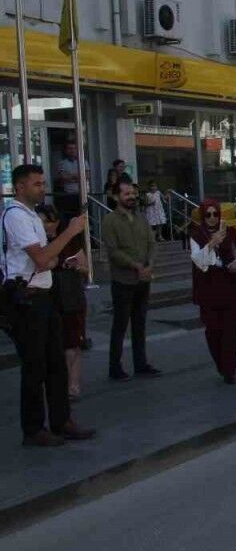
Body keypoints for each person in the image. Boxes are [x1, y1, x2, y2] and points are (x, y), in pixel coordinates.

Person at [3, 165, 94, 446]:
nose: (42, 188)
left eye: (43, 183)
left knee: (56, 362)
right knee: (35, 366)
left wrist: (49, 257)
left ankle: (60, 420)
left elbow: (49, 260)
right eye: (36, 184)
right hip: (27, 299)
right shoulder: (15, 215)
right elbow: (43, 259)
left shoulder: (31, 216)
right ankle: (33, 429)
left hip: (44, 294)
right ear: (20, 187)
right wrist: (70, 231)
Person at [102, 179, 159, 381]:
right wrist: (135, 265)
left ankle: (140, 364)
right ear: (116, 196)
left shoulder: (141, 218)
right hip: (123, 281)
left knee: (139, 323)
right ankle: (115, 367)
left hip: (143, 280)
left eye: (133, 193)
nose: (132, 197)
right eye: (126, 194)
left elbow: (152, 243)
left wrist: (149, 265)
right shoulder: (110, 221)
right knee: (120, 325)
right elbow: (113, 251)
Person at [189, 199, 236, 385]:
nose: (212, 218)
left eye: (215, 214)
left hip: (229, 285)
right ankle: (222, 364)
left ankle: (230, 370)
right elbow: (198, 260)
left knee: (232, 330)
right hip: (209, 287)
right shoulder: (197, 234)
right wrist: (212, 243)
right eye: (208, 214)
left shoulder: (229, 231)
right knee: (213, 331)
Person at [37, 206, 87, 401]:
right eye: (40, 221)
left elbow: (85, 268)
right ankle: (57, 385)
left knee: (73, 343)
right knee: (54, 345)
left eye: (47, 221)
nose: (44, 225)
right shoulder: (37, 243)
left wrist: (76, 266)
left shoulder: (70, 241)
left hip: (71, 296)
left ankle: (72, 386)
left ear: (57, 222)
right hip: (48, 297)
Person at [53, 140, 82, 217]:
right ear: (66, 151)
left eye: (74, 148)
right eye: (70, 148)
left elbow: (87, 176)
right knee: (71, 216)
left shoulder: (82, 162)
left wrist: (70, 176)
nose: (72, 150)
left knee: (84, 216)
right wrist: (78, 176)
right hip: (68, 194)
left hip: (82, 194)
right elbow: (63, 177)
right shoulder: (62, 163)